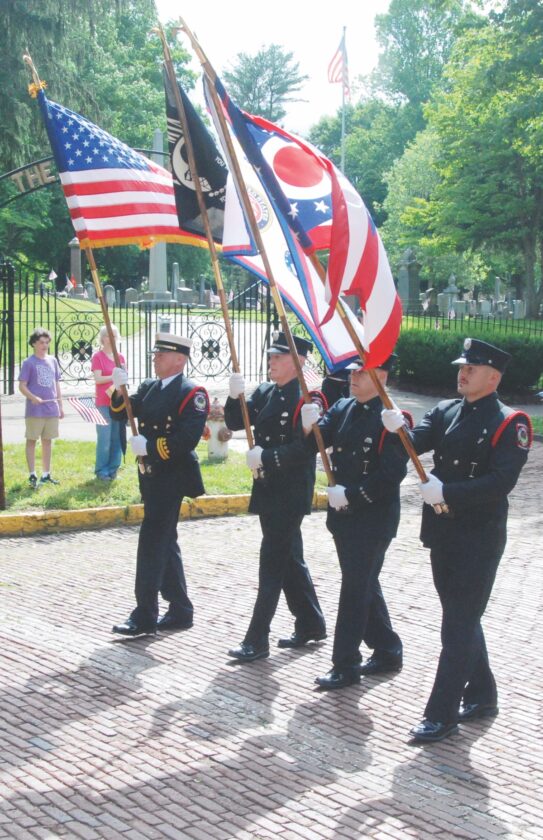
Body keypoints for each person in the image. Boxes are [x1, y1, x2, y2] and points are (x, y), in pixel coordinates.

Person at [382, 338, 532, 742]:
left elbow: (500, 482)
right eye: (462, 367)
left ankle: (441, 714)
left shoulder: (510, 422)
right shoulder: (446, 410)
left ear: (493, 377)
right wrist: (396, 426)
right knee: (460, 617)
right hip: (443, 531)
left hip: (478, 537)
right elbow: (413, 443)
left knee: (457, 626)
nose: (462, 374)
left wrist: (447, 491)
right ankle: (482, 695)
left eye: (471, 369)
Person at [301, 354, 409, 690]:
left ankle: (345, 664)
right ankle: (387, 649)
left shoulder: (392, 417)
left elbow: (392, 474)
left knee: (354, 590)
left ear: (382, 376)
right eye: (353, 372)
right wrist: (308, 424)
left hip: (372, 517)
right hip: (344, 517)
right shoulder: (343, 408)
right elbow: (315, 443)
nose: (353, 378)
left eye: (362, 373)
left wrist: (352, 495)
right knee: (362, 583)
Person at [224, 332, 327, 662]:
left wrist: (267, 457)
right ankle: (311, 623)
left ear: (299, 362)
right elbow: (236, 421)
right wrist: (234, 396)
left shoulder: (308, 399)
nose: (272, 361)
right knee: (289, 558)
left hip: (290, 491)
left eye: (279, 357)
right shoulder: (267, 391)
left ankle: (257, 639)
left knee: (271, 563)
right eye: (271, 356)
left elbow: (306, 448)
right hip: (268, 488)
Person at [109, 333, 209, 636]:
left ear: (179, 359)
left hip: (172, 476)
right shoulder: (150, 387)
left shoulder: (192, 393)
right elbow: (120, 412)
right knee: (165, 540)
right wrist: (118, 389)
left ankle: (144, 615)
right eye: (155, 354)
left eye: (161, 355)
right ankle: (180, 609)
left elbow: (186, 439)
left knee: (152, 540)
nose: (155, 358)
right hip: (151, 476)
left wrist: (149, 447)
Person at [18, 327, 64, 488]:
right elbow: (22, 386)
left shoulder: (53, 361)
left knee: (47, 441)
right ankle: (32, 474)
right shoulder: (28, 363)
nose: (44, 345)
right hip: (35, 411)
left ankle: (46, 474)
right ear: (33, 344)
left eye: (46, 342)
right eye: (41, 342)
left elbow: (57, 385)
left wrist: (60, 405)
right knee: (32, 440)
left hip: (51, 409)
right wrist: (33, 397)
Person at [91, 325, 126, 481]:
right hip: (103, 403)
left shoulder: (121, 357)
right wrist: (114, 376)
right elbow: (98, 379)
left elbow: (124, 378)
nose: (111, 339)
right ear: (103, 338)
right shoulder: (97, 357)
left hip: (117, 403)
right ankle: (101, 470)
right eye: (108, 335)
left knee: (116, 437)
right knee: (104, 438)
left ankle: (113, 468)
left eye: (114, 335)